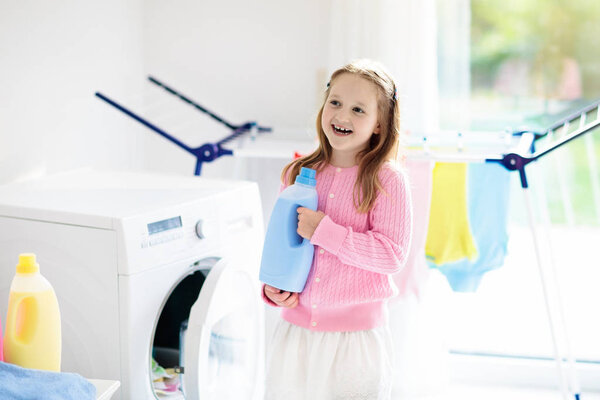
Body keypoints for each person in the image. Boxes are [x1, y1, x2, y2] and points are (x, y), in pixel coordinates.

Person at [261, 59, 413, 400]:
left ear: (379, 124)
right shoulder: (298, 172)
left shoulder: (387, 180)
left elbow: (392, 254)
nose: (342, 116)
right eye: (336, 103)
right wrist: (275, 288)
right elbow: (281, 247)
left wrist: (325, 231)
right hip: (295, 333)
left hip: (355, 341)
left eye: (359, 109)